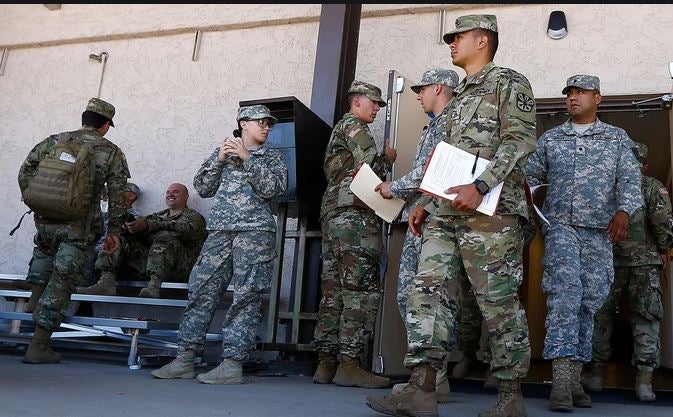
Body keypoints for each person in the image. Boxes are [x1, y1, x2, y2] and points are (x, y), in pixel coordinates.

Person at [367, 14, 537, 417]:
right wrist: (425, 201)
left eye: (458, 37)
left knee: (497, 302)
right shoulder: (458, 97)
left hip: (490, 213)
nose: (452, 43)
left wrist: (480, 186)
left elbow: (520, 140)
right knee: (428, 293)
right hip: (444, 211)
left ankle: (510, 397)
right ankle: (422, 389)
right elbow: (444, 158)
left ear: (483, 40)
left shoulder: (509, 82)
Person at [526, 74, 643, 411]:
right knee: (565, 294)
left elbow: (630, 180)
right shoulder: (551, 139)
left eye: (581, 93)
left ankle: (574, 378)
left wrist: (624, 210)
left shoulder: (616, 138)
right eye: (569, 93)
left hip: (599, 232)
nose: (573, 98)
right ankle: (560, 383)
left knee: (589, 302)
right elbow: (531, 179)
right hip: (561, 227)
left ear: (598, 98)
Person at [151, 104, 287, 384]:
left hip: (255, 233)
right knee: (201, 289)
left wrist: (247, 158)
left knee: (246, 297)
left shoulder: (272, 157)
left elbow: (274, 189)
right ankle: (185, 359)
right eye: (260, 121)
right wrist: (220, 159)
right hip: (220, 232)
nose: (266, 126)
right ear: (243, 124)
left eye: (268, 123)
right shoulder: (222, 152)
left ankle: (232, 364)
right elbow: (203, 187)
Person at [373, 67, 469, 402]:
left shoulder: (450, 123)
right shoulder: (435, 125)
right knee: (414, 299)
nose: (417, 95)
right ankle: (431, 378)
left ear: (440, 88)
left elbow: (431, 172)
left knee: (429, 300)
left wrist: (392, 186)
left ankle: (431, 380)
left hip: (438, 224)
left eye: (422, 89)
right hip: (423, 220)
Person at [17, 97, 130, 363]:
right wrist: (115, 231)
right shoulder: (110, 151)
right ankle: (39, 346)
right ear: (105, 125)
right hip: (79, 226)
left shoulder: (55, 140)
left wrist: (37, 202)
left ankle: (34, 301)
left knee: (43, 258)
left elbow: (26, 172)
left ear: (84, 118)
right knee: (63, 280)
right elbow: (117, 195)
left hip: (45, 220)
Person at [311, 80, 397, 389]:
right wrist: (388, 158)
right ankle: (349, 364)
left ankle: (326, 363)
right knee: (359, 290)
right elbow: (371, 168)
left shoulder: (339, 129)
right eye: (373, 102)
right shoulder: (355, 127)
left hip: (333, 216)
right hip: (355, 218)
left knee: (333, 291)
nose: (376, 108)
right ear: (357, 101)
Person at [582, 142, 673, 402]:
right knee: (646, 319)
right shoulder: (652, 186)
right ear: (644, 165)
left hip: (607, 263)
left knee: (601, 318)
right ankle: (644, 383)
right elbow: (663, 224)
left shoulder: (603, 187)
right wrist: (663, 250)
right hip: (645, 265)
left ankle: (596, 375)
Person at [77, 182, 207, 298]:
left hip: (179, 269)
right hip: (150, 266)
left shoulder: (193, 217)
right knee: (116, 238)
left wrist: (149, 225)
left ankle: (154, 287)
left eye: (176, 192)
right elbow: (144, 226)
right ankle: (106, 282)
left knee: (165, 237)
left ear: (186, 196)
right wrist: (130, 229)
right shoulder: (159, 215)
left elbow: (184, 229)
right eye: (168, 192)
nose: (170, 194)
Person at [82, 182, 142, 288]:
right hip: (95, 250)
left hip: (114, 256)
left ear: (131, 196)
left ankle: (84, 295)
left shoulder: (134, 217)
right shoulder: (103, 214)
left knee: (94, 253)